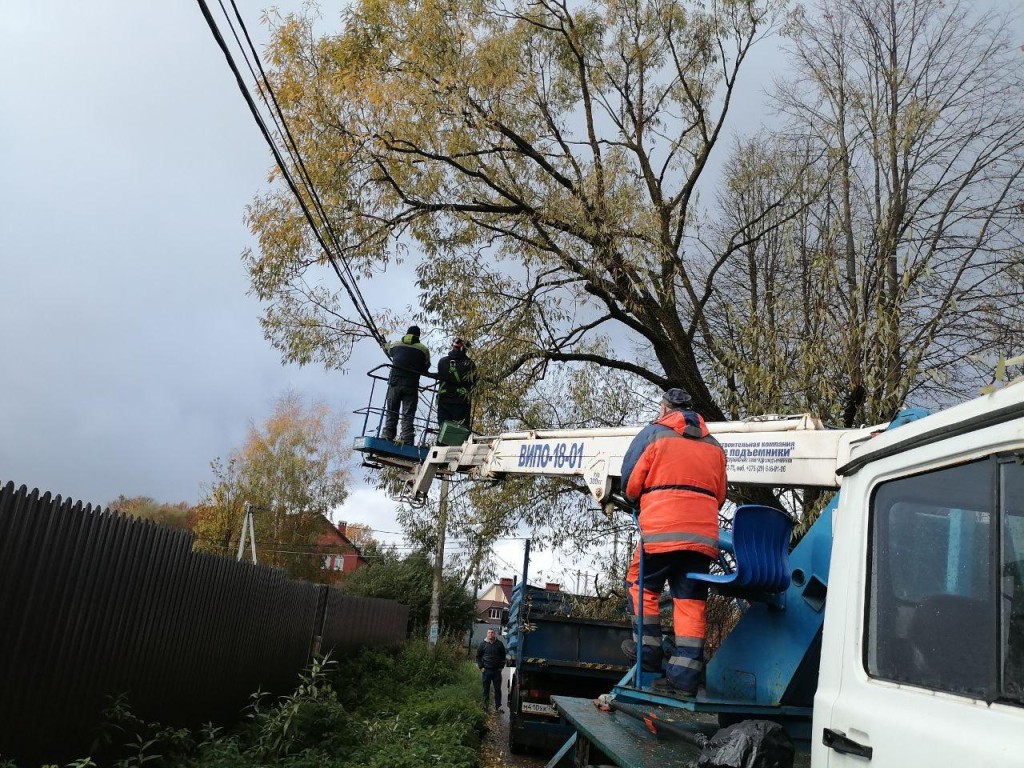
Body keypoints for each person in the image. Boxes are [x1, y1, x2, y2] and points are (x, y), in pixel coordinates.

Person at [619, 387, 728, 696]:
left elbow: (630, 483)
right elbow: (720, 496)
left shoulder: (653, 434)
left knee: (640, 586)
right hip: (702, 537)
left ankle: (648, 655)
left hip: (661, 532)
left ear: (664, 408)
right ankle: (683, 676)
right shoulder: (715, 446)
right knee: (690, 602)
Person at [382, 325, 431, 443]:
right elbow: (426, 366)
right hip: (411, 385)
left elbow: (388, 350)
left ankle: (387, 435)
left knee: (391, 411)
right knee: (408, 414)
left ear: (407, 333)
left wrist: (385, 345)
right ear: (418, 336)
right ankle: (407, 438)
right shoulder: (423, 349)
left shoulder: (396, 345)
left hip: (395, 383)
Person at [435, 338, 477, 430]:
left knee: (443, 429)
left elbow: (441, 375)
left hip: (444, 400)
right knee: (459, 430)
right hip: (461, 402)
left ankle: (441, 444)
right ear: (465, 349)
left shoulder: (442, 362)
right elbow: (474, 382)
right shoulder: (469, 364)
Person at [477, 627, 507, 711]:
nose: (490, 634)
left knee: (497, 689)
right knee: (486, 689)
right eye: (489, 632)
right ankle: (485, 706)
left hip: (496, 671)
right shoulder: (482, 644)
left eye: (492, 632)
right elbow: (478, 657)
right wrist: (481, 667)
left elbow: (503, 656)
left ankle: (498, 706)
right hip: (486, 671)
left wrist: (501, 667)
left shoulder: (499, 644)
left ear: (495, 634)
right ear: (487, 634)